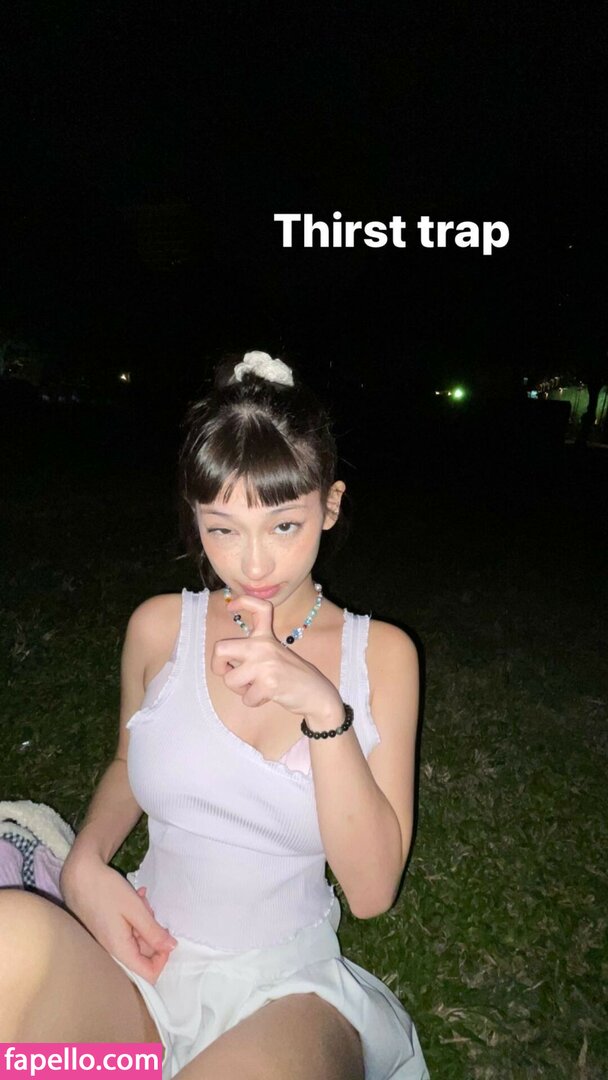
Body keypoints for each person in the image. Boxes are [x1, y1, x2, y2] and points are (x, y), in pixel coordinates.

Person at [0, 350, 430, 1079]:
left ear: (329, 506)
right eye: (223, 528)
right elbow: (128, 760)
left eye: (284, 526)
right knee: (11, 935)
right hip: (142, 967)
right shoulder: (159, 629)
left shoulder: (380, 656)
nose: (253, 565)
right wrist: (84, 863)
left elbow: (371, 892)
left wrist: (322, 709)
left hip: (286, 993)